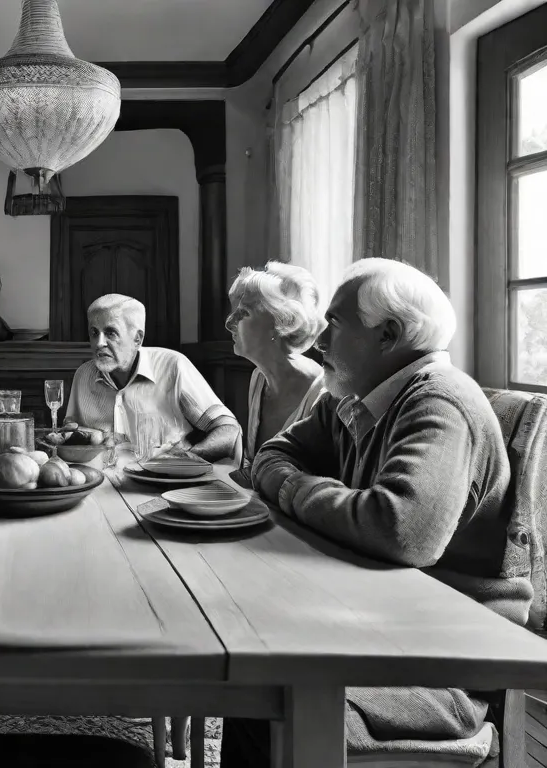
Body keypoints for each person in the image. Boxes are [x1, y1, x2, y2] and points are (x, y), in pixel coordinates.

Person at [221, 258, 521, 766]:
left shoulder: (439, 403)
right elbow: (272, 454)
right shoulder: (352, 398)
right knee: (253, 668)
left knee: (264, 700)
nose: (317, 341)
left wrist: (294, 488)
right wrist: (306, 487)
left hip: (443, 661)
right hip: (379, 622)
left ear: (390, 335)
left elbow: (400, 530)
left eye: (334, 324)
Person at [65, 294, 241, 462]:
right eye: (94, 333)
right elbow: (70, 437)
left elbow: (229, 430)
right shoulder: (83, 375)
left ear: (137, 339)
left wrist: (188, 460)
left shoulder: (173, 366)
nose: (99, 343)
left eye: (110, 333)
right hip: (102, 484)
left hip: (166, 485)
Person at [225, 261, 325, 486]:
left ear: (281, 321)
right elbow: (253, 468)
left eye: (243, 313)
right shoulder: (259, 378)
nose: (230, 323)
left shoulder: (322, 394)